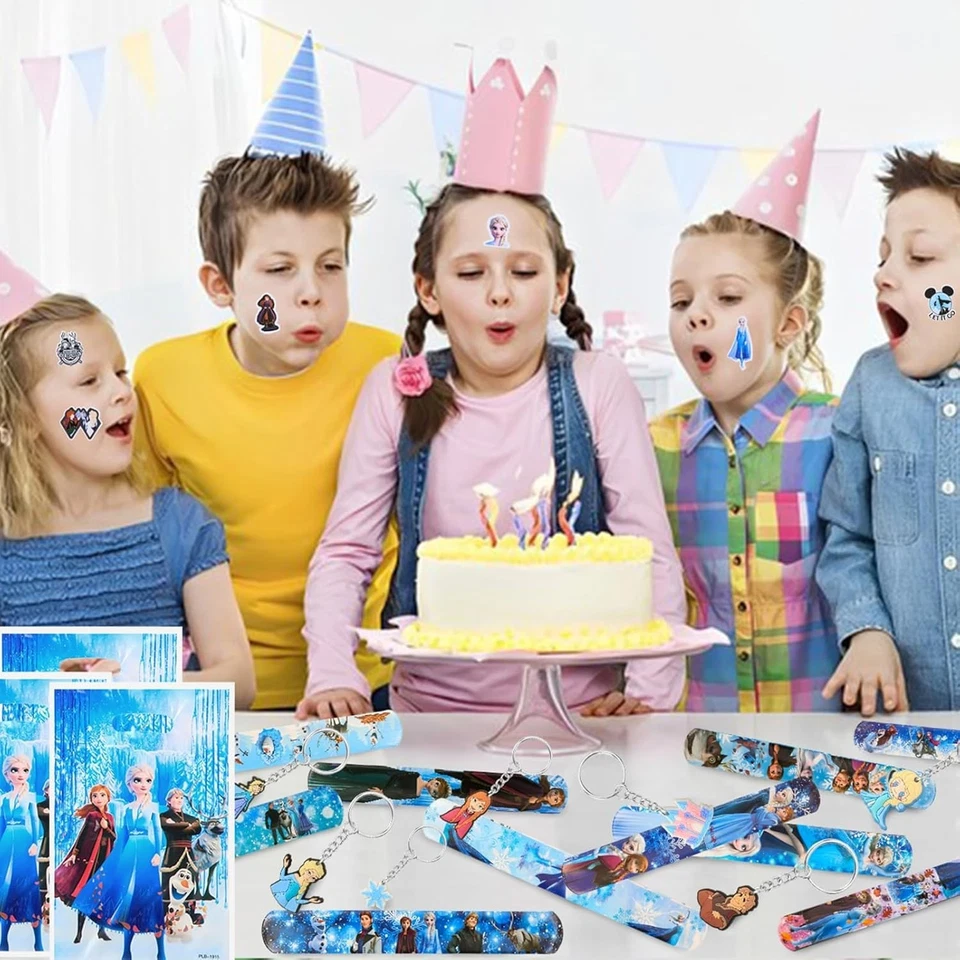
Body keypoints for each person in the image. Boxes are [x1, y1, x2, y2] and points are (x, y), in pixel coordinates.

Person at [301, 58, 687, 717]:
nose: (501, 291)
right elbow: (346, 551)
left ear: (560, 283)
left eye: (524, 270)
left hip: (582, 713)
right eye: (473, 271)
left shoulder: (599, 385)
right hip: (430, 716)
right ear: (430, 289)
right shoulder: (394, 391)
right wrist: (334, 674)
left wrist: (647, 699)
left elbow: (646, 547)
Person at [132, 34, 399, 714]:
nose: (310, 291)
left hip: (363, 684)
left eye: (330, 265)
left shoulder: (386, 363)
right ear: (221, 284)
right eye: (280, 270)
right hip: (221, 688)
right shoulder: (164, 377)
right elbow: (142, 538)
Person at [649, 112, 840, 712]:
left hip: (822, 743)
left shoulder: (839, 432)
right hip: (696, 744)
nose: (697, 315)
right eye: (682, 301)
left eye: (727, 298)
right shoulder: (655, 446)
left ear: (788, 323)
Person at [0, 294, 256, 708]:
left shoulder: (182, 526)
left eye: (121, 371)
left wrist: (133, 685)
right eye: (88, 381)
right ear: (25, 419)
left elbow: (239, 683)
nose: (122, 391)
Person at [817, 148, 960, 711]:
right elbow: (847, 535)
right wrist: (865, 629)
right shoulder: (870, 386)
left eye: (920, 257)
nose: (884, 274)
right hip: (905, 727)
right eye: (884, 258)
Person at [73, 763, 166, 960]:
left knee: (149, 894)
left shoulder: (153, 807)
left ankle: (161, 950)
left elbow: (157, 832)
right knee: (126, 895)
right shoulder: (127, 808)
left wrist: (158, 852)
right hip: (128, 852)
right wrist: (116, 857)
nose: (143, 784)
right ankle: (126, 950)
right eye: (137, 780)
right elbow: (122, 835)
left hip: (148, 853)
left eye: (147, 781)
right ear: (130, 784)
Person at [53, 783, 115, 943]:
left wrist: (106, 828)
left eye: (102, 795)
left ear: (108, 797)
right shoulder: (92, 816)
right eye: (95, 796)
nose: (98, 799)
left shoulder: (110, 818)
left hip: (104, 860)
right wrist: (74, 853)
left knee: (101, 896)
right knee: (84, 895)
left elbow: (113, 837)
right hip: (89, 861)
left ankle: (101, 930)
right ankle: (79, 932)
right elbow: (81, 836)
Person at [0, 754, 42, 951]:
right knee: (6, 887)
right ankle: (4, 938)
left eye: (24, 770)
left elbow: (34, 821)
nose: (20, 774)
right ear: (7, 774)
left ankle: (38, 938)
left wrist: (34, 842)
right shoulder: (3, 799)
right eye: (14, 770)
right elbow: (1, 825)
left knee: (26, 885)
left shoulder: (31, 797)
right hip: (7, 842)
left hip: (25, 843)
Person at [159, 788, 202, 924]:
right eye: (176, 798)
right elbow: (167, 826)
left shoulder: (191, 817)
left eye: (181, 798)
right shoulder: (164, 816)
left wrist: (178, 825)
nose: (179, 800)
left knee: (190, 881)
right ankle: (167, 914)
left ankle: (189, 913)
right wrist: (188, 826)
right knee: (169, 881)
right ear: (169, 801)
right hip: (173, 853)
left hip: (188, 854)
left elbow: (198, 828)